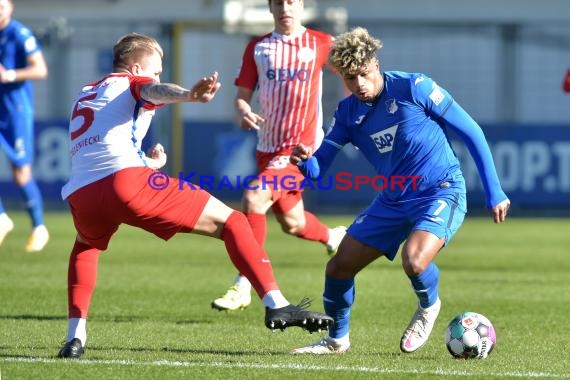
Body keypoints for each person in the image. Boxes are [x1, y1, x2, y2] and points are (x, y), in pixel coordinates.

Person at [57, 33, 333, 359]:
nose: (156, 76)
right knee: (233, 221)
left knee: (85, 248)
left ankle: (75, 337)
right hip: (126, 183)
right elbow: (151, 89)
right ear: (134, 67)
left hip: (83, 193)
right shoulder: (133, 82)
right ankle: (277, 304)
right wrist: (188, 94)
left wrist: (148, 161)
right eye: (154, 69)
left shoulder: (87, 92)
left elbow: (98, 150)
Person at [289, 27, 511, 354]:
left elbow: (472, 132)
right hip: (393, 200)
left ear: (376, 64)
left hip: (441, 190)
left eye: (364, 74)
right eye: (350, 79)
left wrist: (494, 190)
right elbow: (319, 167)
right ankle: (336, 340)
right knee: (338, 267)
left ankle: (428, 305)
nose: (359, 85)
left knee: (414, 260)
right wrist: (306, 162)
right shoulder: (348, 114)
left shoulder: (414, 87)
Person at [211, 0, 347, 312]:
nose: (285, 7)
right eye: (279, 2)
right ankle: (332, 236)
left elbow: (351, 75)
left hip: (302, 150)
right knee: (293, 222)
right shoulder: (257, 48)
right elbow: (242, 98)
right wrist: (244, 110)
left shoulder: (321, 42)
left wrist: (348, 120)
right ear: (271, 8)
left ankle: (244, 284)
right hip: (267, 148)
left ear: (301, 6)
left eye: (291, 2)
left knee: (255, 198)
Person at [0, 0, 49, 252]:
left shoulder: (19, 34)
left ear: (11, 8)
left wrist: (9, 74)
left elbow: (40, 70)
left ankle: (39, 227)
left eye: (0, 6)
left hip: (14, 110)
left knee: (21, 172)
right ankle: (1, 218)